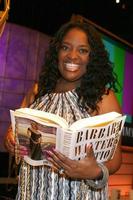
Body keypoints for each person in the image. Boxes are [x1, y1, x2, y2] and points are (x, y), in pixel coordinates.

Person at [4, 20, 122, 200]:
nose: (72, 56)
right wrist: (11, 140)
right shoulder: (38, 91)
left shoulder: (103, 97)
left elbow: (115, 161)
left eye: (83, 50)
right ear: (56, 52)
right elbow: (14, 130)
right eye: (66, 47)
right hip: (33, 192)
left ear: (92, 57)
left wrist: (94, 171)